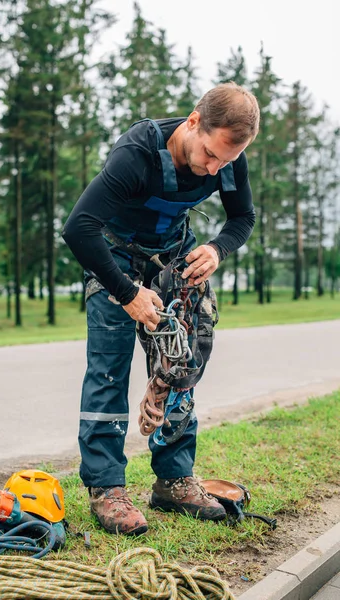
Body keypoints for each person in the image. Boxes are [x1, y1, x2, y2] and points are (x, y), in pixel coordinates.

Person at [62, 82, 260, 536]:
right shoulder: (137, 154)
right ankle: (107, 489)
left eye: (226, 162)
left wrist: (218, 248)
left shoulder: (229, 159)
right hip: (113, 260)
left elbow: (242, 217)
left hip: (174, 261)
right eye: (210, 154)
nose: (214, 169)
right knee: (108, 372)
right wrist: (128, 293)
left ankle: (173, 481)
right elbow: (79, 228)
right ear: (194, 121)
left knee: (178, 368)